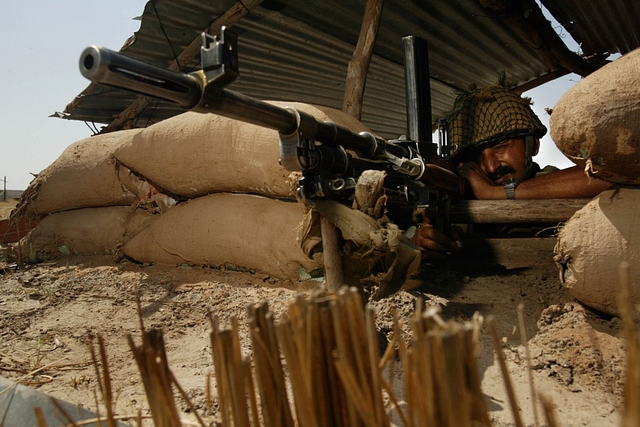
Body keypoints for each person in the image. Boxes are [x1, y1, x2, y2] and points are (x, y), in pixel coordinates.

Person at [411, 83, 612, 259]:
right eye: (476, 157)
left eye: (501, 147)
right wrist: (422, 243)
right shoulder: (460, 200)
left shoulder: (556, 182)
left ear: (533, 145)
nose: (491, 166)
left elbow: (608, 175)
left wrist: (495, 193)